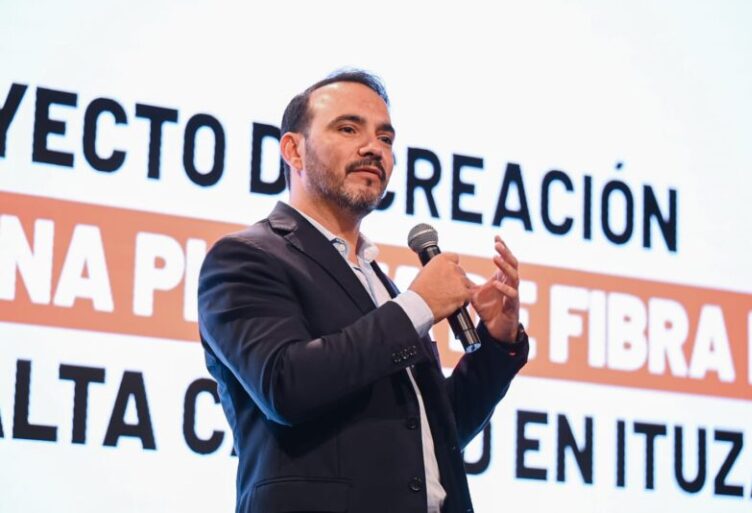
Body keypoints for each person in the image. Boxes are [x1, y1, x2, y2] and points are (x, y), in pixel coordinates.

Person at [197, 70, 529, 513]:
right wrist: (417, 306)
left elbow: (434, 432)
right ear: (293, 150)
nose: (374, 147)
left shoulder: (376, 281)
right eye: (348, 128)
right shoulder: (245, 258)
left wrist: (496, 345)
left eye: (386, 138)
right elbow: (285, 385)